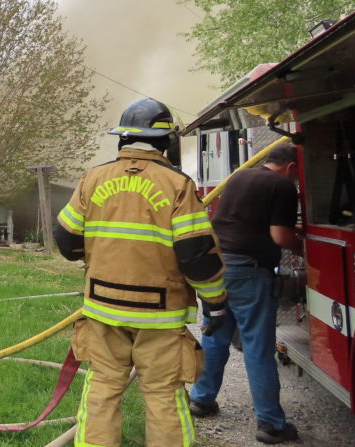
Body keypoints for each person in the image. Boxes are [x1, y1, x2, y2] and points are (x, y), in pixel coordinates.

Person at [54, 98, 227, 447]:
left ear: (122, 138)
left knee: (102, 388)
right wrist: (216, 301)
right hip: (159, 316)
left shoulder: (93, 178)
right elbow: (197, 257)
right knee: (163, 394)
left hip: (103, 309)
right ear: (166, 142)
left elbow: (66, 240)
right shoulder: (178, 185)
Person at [188, 142, 302, 444]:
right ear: (291, 168)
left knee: (216, 335)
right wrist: (305, 248)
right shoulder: (282, 186)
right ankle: (271, 424)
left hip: (216, 266)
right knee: (257, 346)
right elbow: (280, 235)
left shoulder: (240, 176)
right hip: (249, 272)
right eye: (298, 174)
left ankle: (201, 399)